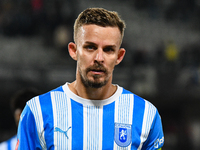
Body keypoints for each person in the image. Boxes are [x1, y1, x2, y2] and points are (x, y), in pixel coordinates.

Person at [16, 8, 164, 150]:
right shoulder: (37, 111)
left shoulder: (146, 115)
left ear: (119, 56)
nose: (99, 58)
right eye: (90, 47)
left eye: (108, 50)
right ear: (74, 51)